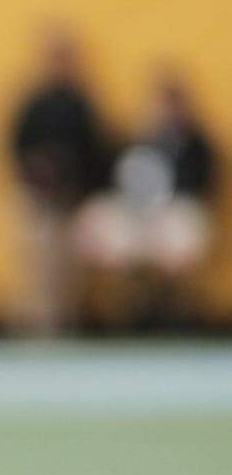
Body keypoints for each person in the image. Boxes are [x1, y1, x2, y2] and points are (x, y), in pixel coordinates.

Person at [72, 69, 217, 328]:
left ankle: (173, 314)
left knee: (178, 242)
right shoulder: (135, 141)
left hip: (173, 212)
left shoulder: (196, 144)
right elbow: (115, 178)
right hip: (135, 213)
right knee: (110, 238)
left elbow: (203, 185)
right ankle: (128, 314)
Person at [8, 25, 110, 333]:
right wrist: (36, 175)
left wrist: (77, 186)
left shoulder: (82, 105)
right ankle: (37, 324)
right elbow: (16, 147)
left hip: (73, 198)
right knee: (37, 264)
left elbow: (97, 151)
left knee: (70, 268)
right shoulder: (34, 103)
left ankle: (68, 322)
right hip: (37, 196)